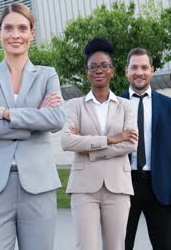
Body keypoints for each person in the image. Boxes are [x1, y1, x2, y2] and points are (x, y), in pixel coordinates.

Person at [0, 2, 66, 250]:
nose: (15, 35)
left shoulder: (47, 75)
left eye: (22, 28)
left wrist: (2, 112)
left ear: (32, 33)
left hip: (38, 184)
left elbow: (55, 119)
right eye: (8, 28)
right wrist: (34, 121)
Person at [61, 38, 138, 250]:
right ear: (87, 72)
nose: (99, 70)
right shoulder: (74, 106)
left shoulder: (126, 106)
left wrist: (89, 149)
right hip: (83, 187)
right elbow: (67, 141)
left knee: (115, 247)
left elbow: (130, 144)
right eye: (93, 66)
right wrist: (111, 139)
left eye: (104, 66)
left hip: (117, 186)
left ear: (113, 71)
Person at [122, 48, 171, 250]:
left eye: (144, 67)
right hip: (123, 186)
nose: (139, 72)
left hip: (160, 187)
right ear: (126, 71)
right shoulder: (116, 103)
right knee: (120, 245)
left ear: (152, 70)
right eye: (134, 67)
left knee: (165, 246)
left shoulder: (168, 106)